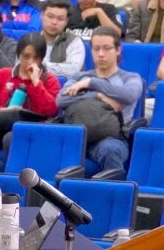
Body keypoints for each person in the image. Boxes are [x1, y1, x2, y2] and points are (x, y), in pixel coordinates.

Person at [57, 27, 143, 172]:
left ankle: (114, 193)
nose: (101, 54)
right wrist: (97, 95)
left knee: (111, 150)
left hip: (110, 137)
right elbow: (61, 100)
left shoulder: (130, 78)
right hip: (75, 136)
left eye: (107, 48)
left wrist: (92, 83)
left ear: (117, 50)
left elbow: (129, 95)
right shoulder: (79, 77)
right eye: (96, 49)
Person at [0, 35, 60, 168]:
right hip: (1, 124)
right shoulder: (3, 74)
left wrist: (36, 83)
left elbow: (51, 110)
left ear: (42, 59)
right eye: (26, 56)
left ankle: (14, 184)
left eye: (36, 58)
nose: (30, 62)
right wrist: (2, 111)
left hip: (30, 128)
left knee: (11, 138)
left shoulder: (49, 80)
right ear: (19, 55)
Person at [21, 0, 85, 77]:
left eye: (60, 19)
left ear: (66, 21)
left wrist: (40, 65)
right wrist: (60, 66)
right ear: (42, 15)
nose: (54, 22)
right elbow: (19, 65)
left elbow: (73, 70)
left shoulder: (74, 41)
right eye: (50, 16)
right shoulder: (30, 40)